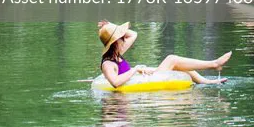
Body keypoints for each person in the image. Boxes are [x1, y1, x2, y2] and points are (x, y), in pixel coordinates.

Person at [97, 20, 232, 88]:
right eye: (121, 37)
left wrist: (112, 27)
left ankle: (209, 82)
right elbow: (115, 82)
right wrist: (135, 70)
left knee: (180, 65)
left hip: (142, 78)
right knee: (171, 59)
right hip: (140, 85)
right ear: (116, 42)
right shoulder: (108, 63)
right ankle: (214, 64)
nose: (124, 38)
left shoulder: (117, 53)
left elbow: (133, 34)